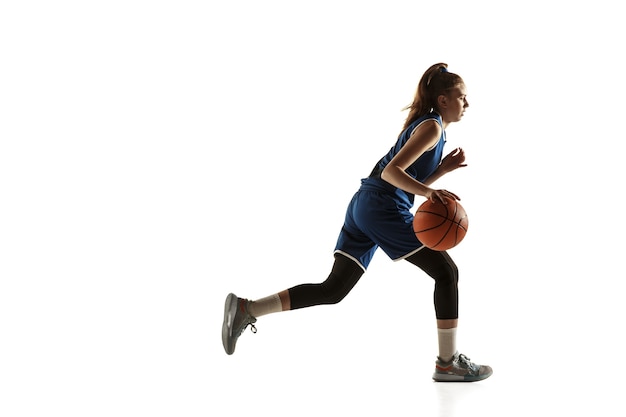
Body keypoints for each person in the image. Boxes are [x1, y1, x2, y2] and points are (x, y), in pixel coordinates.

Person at [221, 63, 492, 382]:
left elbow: (399, 179)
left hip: (366, 205)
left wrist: (441, 171)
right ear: (443, 100)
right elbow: (392, 173)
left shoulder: (431, 129)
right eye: (462, 97)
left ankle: (246, 309)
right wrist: (430, 190)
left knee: (334, 288)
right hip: (382, 207)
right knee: (446, 273)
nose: (467, 103)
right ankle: (447, 364)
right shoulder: (431, 127)